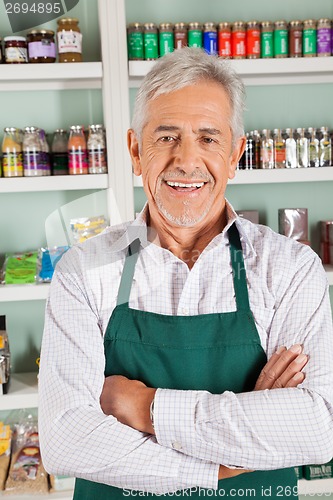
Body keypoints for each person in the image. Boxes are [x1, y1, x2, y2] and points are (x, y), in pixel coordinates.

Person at [39, 48, 333, 500]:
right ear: (137, 151)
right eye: (167, 136)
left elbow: (315, 428)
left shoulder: (290, 269)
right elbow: (67, 441)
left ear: (236, 154)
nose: (186, 161)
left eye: (209, 138)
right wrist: (221, 464)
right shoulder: (84, 271)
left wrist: (143, 406)